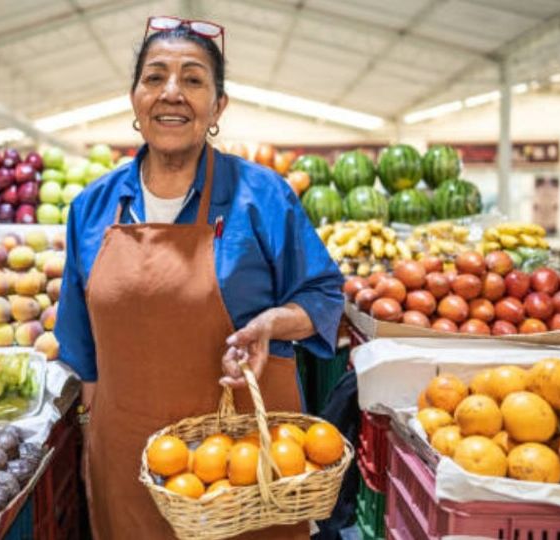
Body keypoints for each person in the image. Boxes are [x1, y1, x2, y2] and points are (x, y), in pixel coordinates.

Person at [56, 16, 344, 539]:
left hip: (247, 463)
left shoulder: (263, 196)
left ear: (218, 105)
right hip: (130, 455)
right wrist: (96, 445)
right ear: (135, 98)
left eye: (192, 79)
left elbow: (324, 295)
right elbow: (79, 346)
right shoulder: (91, 207)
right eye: (154, 77)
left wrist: (273, 323)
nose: (172, 93)